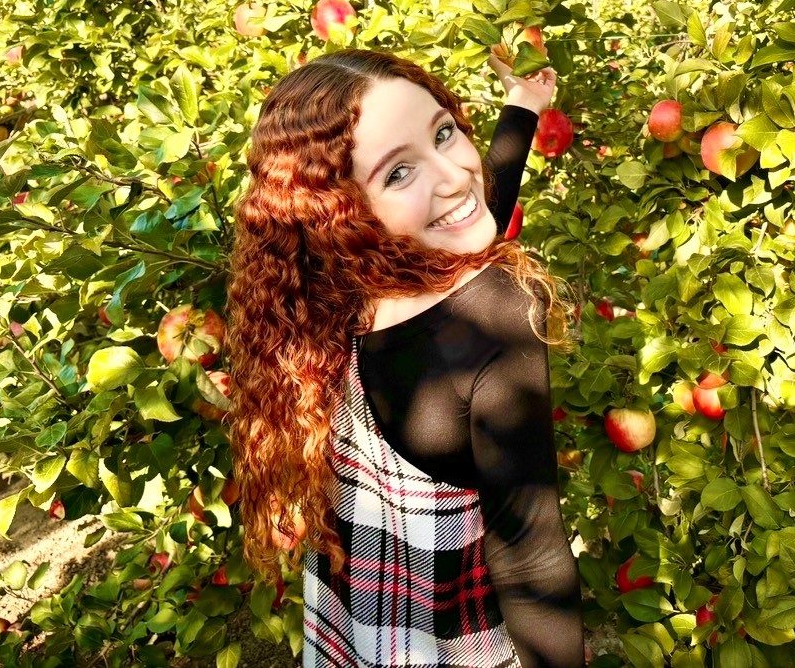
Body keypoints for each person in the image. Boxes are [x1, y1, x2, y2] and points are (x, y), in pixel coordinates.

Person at [225, 48, 585, 668]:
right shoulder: (494, 315)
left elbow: (471, 208)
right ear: (343, 215)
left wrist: (523, 109)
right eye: (397, 173)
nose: (453, 176)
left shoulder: (326, 290)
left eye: (444, 132)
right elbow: (531, 555)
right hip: (448, 647)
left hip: (353, 627)